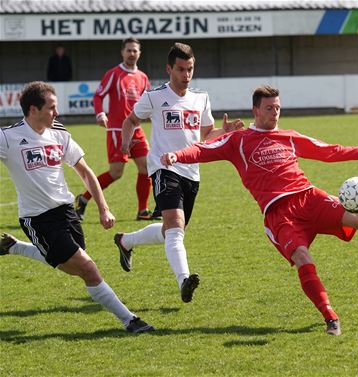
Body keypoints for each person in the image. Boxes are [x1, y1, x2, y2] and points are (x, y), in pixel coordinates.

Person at [159, 85, 358, 336]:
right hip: (279, 213)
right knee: (302, 257)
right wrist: (176, 156)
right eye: (269, 108)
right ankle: (330, 317)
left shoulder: (289, 136)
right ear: (255, 110)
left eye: (278, 108)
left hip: (309, 198)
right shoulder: (238, 140)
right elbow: (203, 149)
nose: (275, 112)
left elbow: (328, 151)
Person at [0, 81, 154, 333]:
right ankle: (130, 320)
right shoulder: (8, 137)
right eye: (51, 108)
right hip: (38, 219)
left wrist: (103, 208)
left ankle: (14, 247)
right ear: (33, 109)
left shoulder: (59, 133)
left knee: (68, 264)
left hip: (66, 213)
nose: (56, 113)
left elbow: (85, 171)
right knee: (88, 269)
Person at [113, 42, 244, 303]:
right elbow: (131, 120)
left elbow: (206, 134)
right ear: (169, 69)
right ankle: (184, 280)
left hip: (191, 172)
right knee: (175, 227)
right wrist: (126, 143)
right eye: (181, 69)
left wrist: (225, 130)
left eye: (190, 69)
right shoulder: (155, 96)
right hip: (164, 168)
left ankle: (125, 241)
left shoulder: (200, 98)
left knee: (172, 230)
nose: (186, 75)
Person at [74, 37, 158, 221]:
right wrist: (100, 114)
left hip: (136, 130)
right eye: (128, 50)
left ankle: (142, 211)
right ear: (122, 52)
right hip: (117, 131)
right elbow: (98, 96)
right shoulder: (114, 73)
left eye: (135, 50)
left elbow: (149, 102)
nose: (132, 53)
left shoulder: (142, 77)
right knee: (116, 173)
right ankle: (83, 199)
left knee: (146, 167)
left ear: (139, 53)